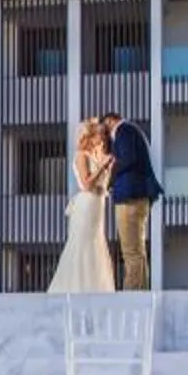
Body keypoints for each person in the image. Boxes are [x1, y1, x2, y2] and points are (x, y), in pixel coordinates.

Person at [46, 115, 116, 293]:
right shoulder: (81, 156)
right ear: (91, 136)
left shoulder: (97, 155)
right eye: (100, 134)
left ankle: (95, 289)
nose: (103, 138)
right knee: (83, 243)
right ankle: (76, 288)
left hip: (98, 206)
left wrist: (107, 167)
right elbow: (86, 183)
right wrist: (102, 167)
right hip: (87, 204)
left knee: (96, 244)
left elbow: (103, 184)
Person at [103, 113, 160, 291]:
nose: (106, 135)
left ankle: (132, 292)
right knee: (138, 249)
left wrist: (110, 176)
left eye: (106, 128)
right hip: (138, 196)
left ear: (111, 121)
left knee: (131, 251)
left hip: (130, 197)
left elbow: (127, 159)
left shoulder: (124, 131)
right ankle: (140, 289)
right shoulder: (133, 131)